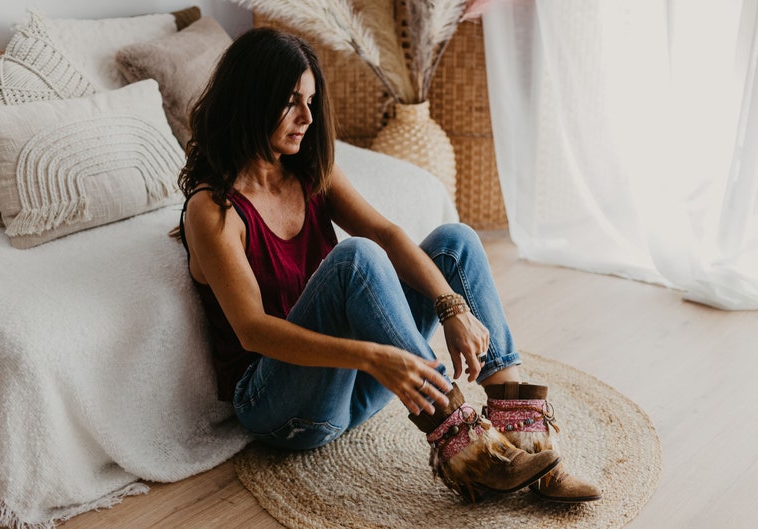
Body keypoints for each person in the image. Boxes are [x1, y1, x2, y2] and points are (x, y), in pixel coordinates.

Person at [177, 27, 600, 503]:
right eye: (290, 101)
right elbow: (253, 330)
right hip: (280, 409)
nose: (306, 118)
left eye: (311, 102)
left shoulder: (310, 170)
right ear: (251, 100)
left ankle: (526, 440)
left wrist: (451, 307)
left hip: (351, 386)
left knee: (454, 241)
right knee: (355, 258)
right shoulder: (213, 210)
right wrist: (373, 356)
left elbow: (386, 232)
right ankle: (470, 453)